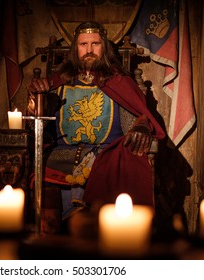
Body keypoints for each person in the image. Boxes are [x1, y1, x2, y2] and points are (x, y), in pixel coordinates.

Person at [26, 21, 165, 234]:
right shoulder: (57, 83)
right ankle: (51, 246)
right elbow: (38, 124)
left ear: (104, 47)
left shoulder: (119, 83)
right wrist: (36, 98)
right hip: (59, 158)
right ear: (75, 48)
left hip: (104, 156)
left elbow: (139, 117)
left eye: (95, 44)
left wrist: (141, 126)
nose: (89, 50)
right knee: (46, 204)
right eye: (83, 44)